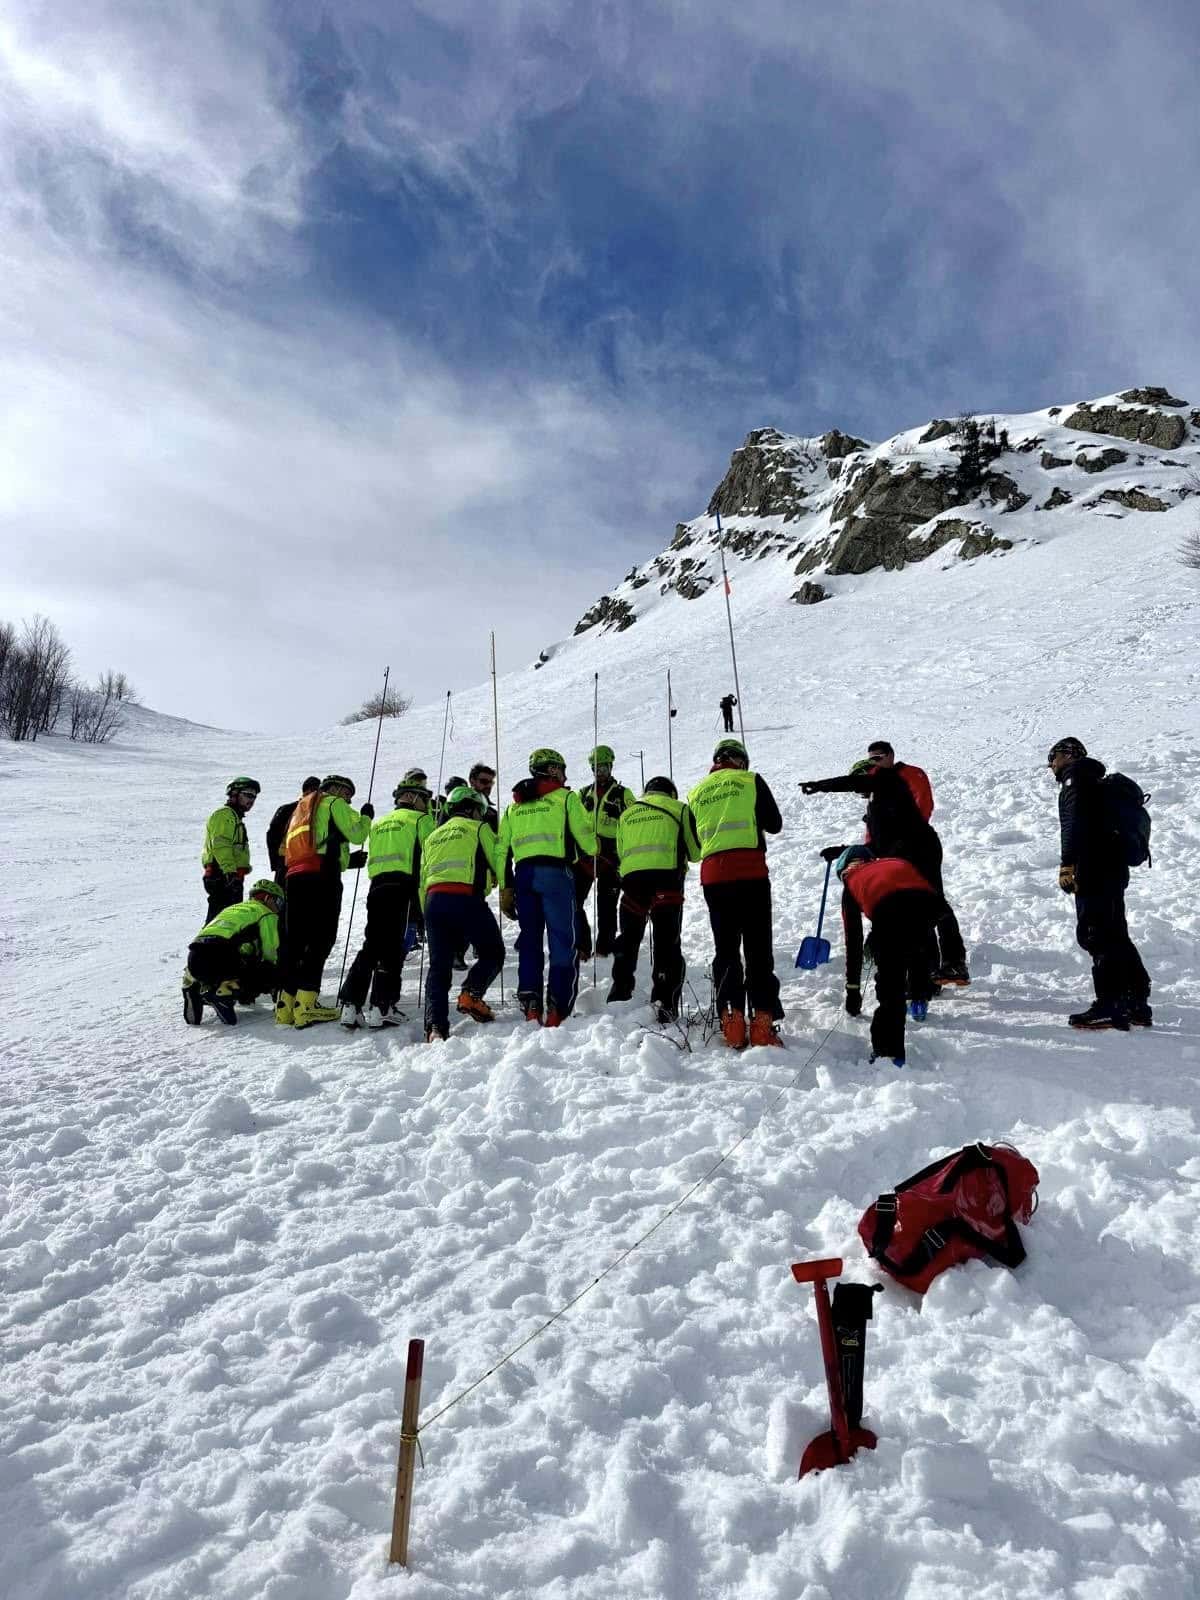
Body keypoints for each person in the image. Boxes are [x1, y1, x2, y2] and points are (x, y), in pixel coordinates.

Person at [799, 748, 969, 987]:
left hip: (920, 850)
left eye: (861, 787)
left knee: (929, 904)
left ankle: (946, 966)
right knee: (926, 905)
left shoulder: (886, 781)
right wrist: (841, 851)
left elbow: (856, 785)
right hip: (912, 852)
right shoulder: (878, 804)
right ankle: (935, 970)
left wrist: (820, 785)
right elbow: (875, 846)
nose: (860, 793)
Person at [1048, 736, 1152, 1030]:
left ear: (1067, 755)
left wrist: (1068, 863)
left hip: (1092, 868)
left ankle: (1110, 1004)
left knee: (1097, 934)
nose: (1051, 766)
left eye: (1052, 758)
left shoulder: (1076, 780)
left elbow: (1074, 825)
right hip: (1112, 869)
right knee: (1115, 932)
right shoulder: (1097, 782)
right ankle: (1136, 1001)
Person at [687, 738, 784, 1048]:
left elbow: (694, 843)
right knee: (757, 947)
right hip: (750, 872)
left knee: (726, 949)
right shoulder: (750, 780)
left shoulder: (697, 792)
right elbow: (775, 823)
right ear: (742, 761)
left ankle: (731, 1020)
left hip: (714, 878)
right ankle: (762, 1023)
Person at [496, 747, 597, 1026]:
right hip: (556, 874)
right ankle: (557, 1008)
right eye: (561, 770)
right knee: (562, 940)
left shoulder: (513, 806)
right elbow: (587, 841)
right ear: (552, 770)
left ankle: (530, 1004)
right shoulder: (566, 798)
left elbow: (500, 850)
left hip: (524, 876)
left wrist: (506, 887)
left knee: (530, 940)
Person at [277, 774, 373, 1029]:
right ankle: (306, 1005)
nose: (349, 800)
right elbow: (357, 834)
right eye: (348, 795)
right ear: (339, 789)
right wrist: (366, 817)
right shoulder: (333, 803)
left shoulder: (301, 808)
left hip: (295, 877)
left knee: (296, 942)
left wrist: (347, 861)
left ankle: (285, 1007)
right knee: (321, 939)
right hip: (323, 877)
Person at [338, 777, 434, 1029]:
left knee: (372, 945)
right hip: (404, 887)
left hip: (377, 886)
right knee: (394, 948)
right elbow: (429, 855)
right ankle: (382, 1006)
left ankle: (350, 1005)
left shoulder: (379, 822)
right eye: (425, 799)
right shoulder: (421, 820)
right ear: (414, 798)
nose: (427, 804)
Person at [832, 845, 940, 1067]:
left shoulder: (852, 881)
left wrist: (853, 990)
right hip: (929, 905)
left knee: (891, 986)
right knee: (917, 948)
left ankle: (888, 1053)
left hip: (892, 912)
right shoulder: (891, 862)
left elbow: (853, 941)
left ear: (845, 870)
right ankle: (919, 998)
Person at [608, 777, 701, 1020]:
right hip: (666, 882)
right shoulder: (679, 808)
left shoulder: (627, 814)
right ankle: (664, 1004)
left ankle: (619, 993)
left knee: (628, 938)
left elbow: (620, 851)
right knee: (666, 944)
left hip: (632, 884)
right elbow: (695, 852)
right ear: (671, 792)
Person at [421, 785, 506, 1042]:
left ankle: (436, 1028)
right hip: (466, 898)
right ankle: (471, 993)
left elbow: (422, 878)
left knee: (439, 967)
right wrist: (506, 888)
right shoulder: (478, 828)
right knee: (493, 952)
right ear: (472, 809)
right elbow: (498, 857)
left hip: (434, 901)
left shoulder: (433, 836)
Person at [182, 879, 284, 1025]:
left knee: (230, 962)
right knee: (269, 972)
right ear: (268, 898)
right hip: (221, 957)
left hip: (195, 956)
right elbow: (271, 950)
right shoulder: (266, 913)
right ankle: (223, 991)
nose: (278, 909)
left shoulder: (234, 909)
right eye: (279, 903)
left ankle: (193, 984)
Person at [574, 745, 637, 960]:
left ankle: (605, 948)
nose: (600, 773)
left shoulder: (622, 794)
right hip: (585, 854)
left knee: (607, 905)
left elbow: (633, 821)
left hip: (611, 855)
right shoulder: (582, 794)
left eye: (603, 768)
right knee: (573, 900)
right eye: (596, 768)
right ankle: (581, 944)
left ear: (610, 767)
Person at [201, 778, 259, 920]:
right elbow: (221, 845)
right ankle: (208, 942)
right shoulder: (225, 814)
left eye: (254, 797)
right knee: (221, 921)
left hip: (230, 876)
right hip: (223, 875)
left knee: (226, 921)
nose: (251, 800)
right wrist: (230, 874)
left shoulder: (235, 818)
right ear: (234, 794)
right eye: (248, 795)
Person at [266, 776, 320, 885]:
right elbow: (273, 835)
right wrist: (277, 863)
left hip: (299, 862)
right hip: (288, 862)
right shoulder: (288, 809)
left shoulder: (316, 811)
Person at [468, 762, 500, 828]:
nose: (488, 785)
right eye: (484, 781)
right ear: (472, 781)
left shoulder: (493, 814)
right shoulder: (458, 806)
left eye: (491, 782)